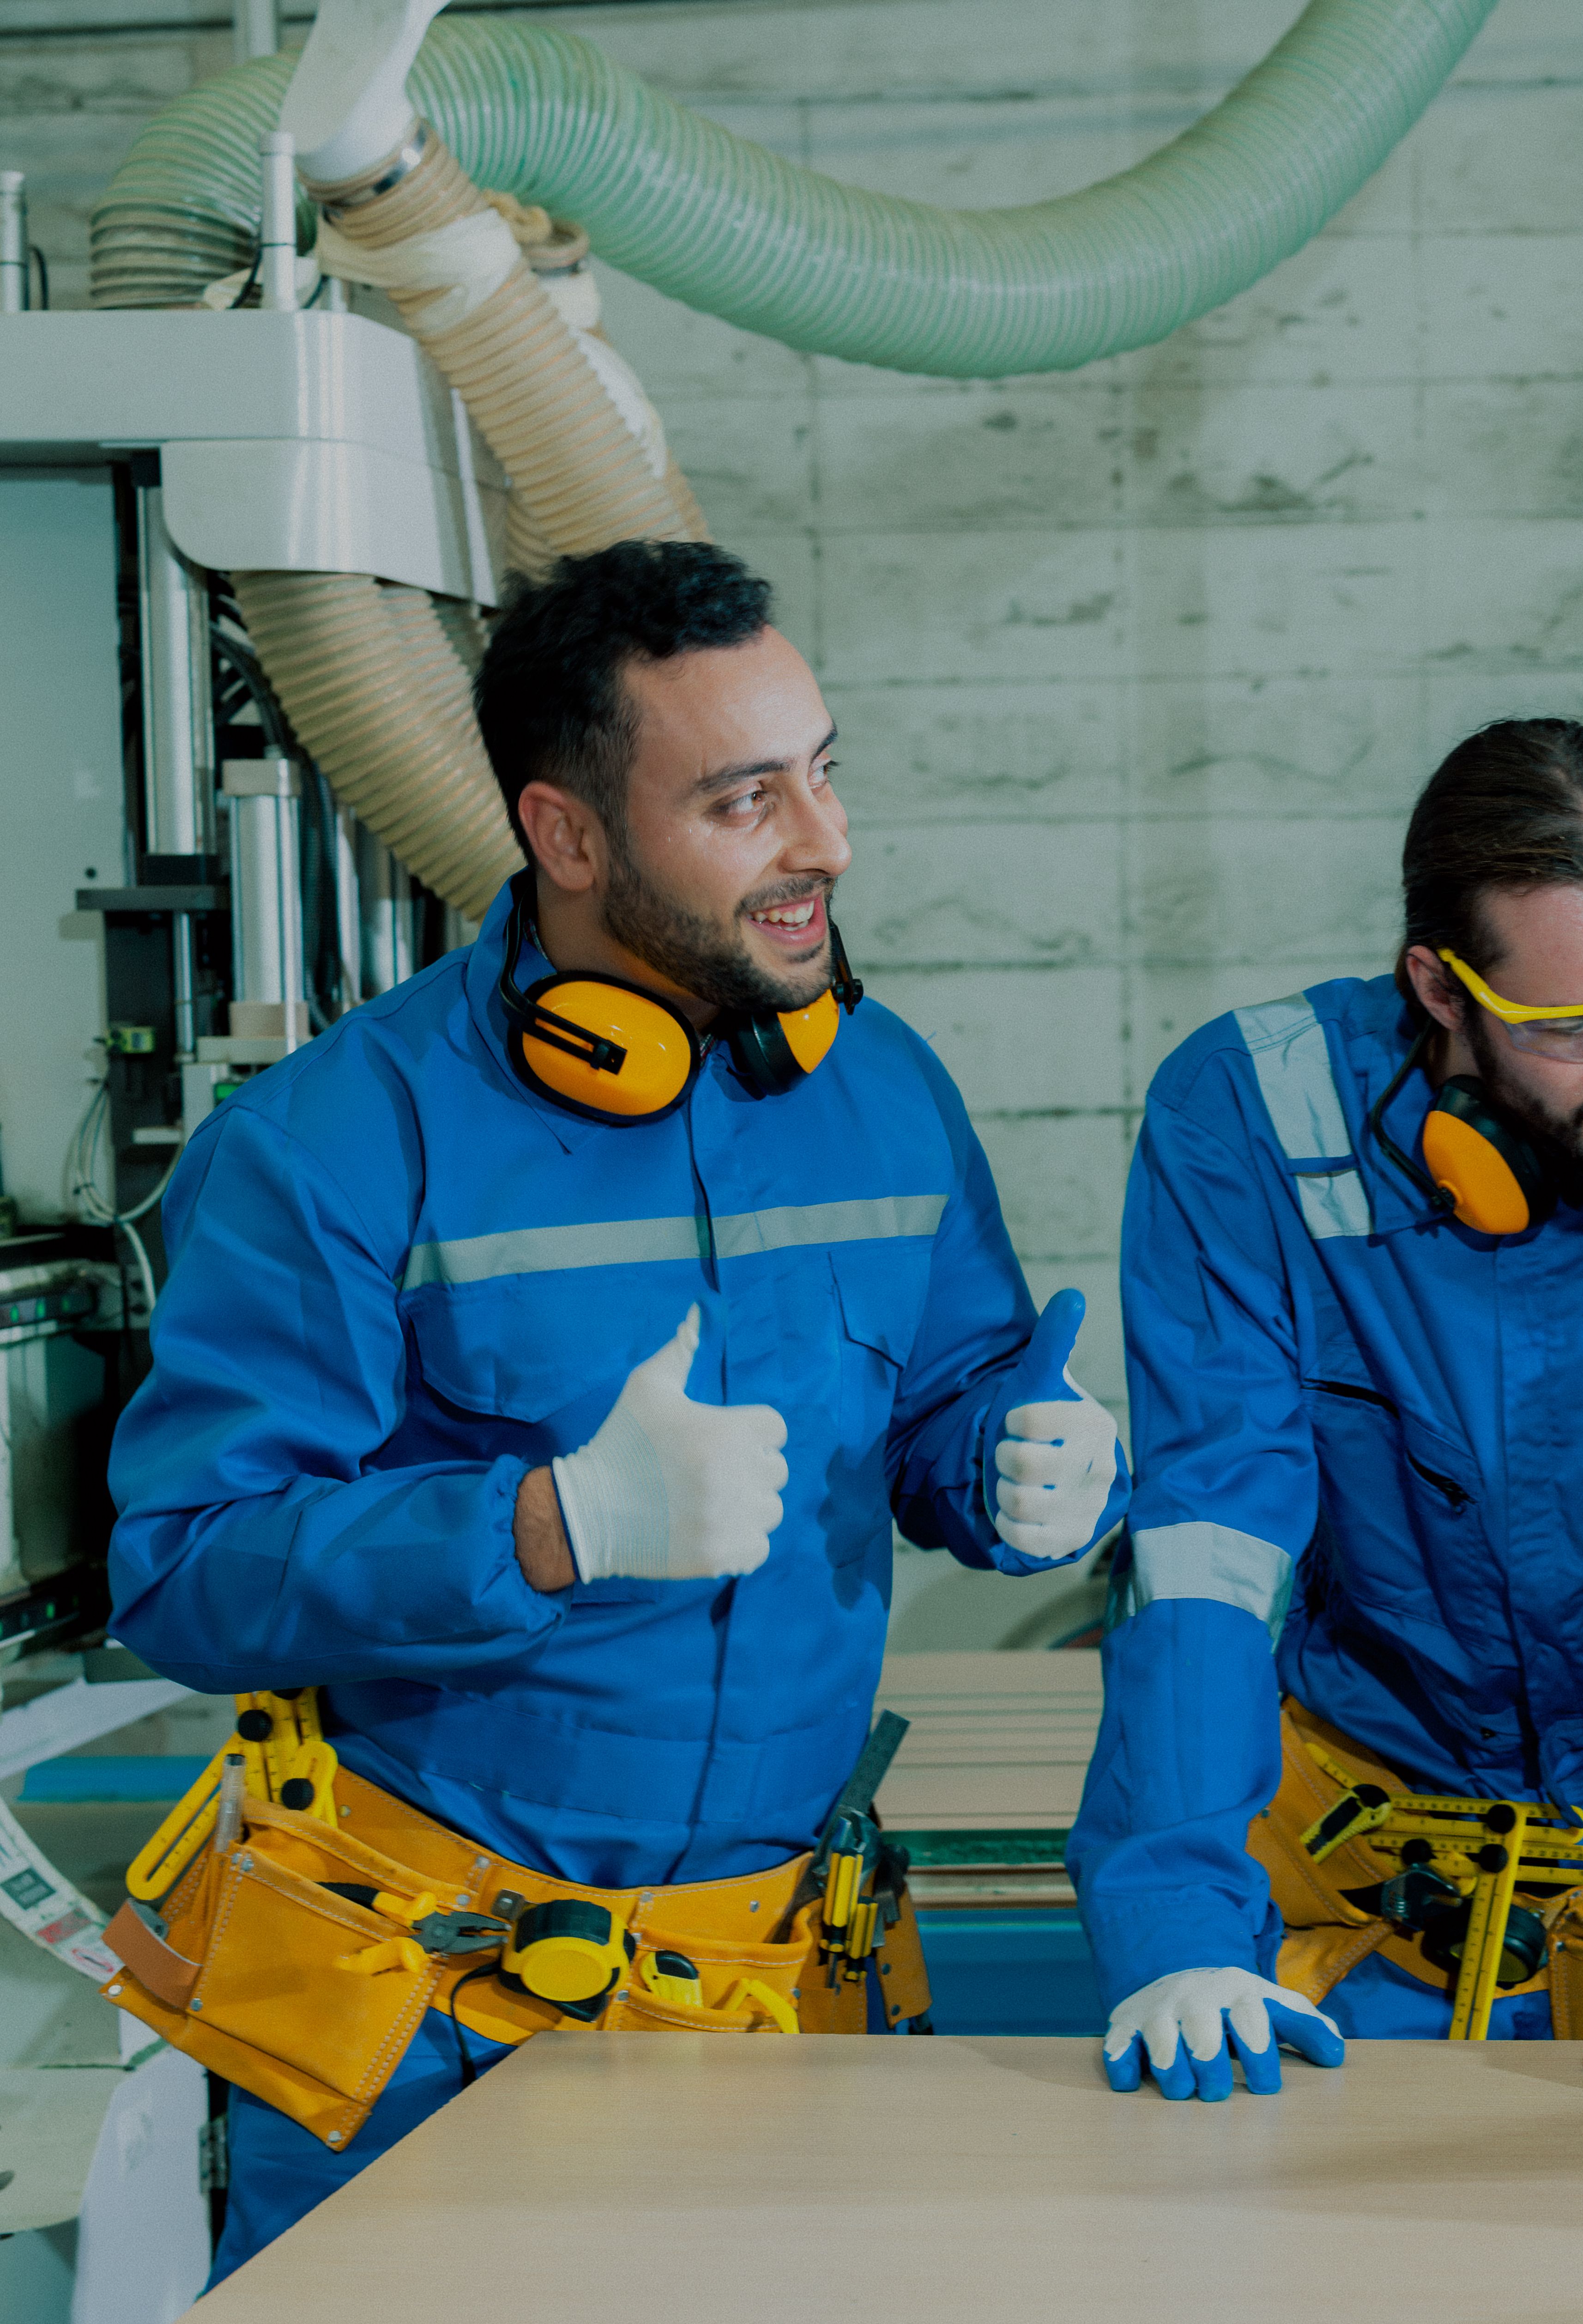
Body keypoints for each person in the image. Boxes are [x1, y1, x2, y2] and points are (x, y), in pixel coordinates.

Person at [103, 539, 1122, 2277]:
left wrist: (1021, 1469)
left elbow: (955, 1390)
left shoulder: (882, 1088)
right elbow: (188, 1569)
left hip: (789, 1997)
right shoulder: (334, 1145)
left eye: (823, 772)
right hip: (435, 2029)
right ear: (566, 836)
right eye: (746, 803)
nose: (827, 846)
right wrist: (543, 1529)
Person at [1073, 718, 1583, 2106]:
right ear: (1441, 992)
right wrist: (1175, 1922)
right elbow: (1211, 1540)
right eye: (1578, 1027)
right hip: (1347, 1887)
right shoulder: (1251, 1115)